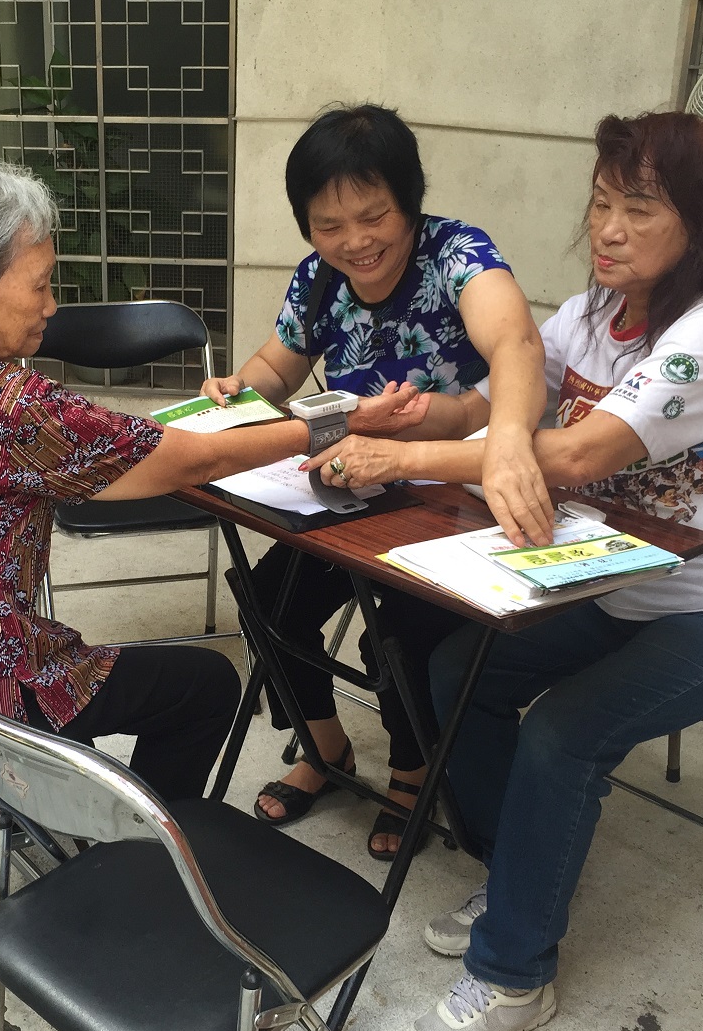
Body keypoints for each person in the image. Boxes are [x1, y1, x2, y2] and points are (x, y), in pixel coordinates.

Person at [303, 110, 703, 1031]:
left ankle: (514, 973)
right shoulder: (590, 314)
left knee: (564, 730)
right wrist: (401, 421)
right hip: (619, 581)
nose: (607, 229)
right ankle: (517, 876)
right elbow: (490, 408)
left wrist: (417, 458)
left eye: (639, 210)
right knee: (458, 672)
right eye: (602, 203)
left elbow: (574, 454)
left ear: (699, 221)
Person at [0, 154, 373, 801]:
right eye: (39, 285)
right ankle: (139, 854)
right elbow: (194, 461)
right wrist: (332, 425)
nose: (51, 305)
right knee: (206, 686)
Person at [199, 104, 550, 858]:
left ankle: (412, 771)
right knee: (269, 600)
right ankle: (325, 748)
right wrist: (236, 390)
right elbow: (275, 370)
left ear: (410, 200)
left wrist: (509, 443)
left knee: (400, 635)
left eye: (374, 215)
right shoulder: (319, 280)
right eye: (328, 225)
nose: (355, 241)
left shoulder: (458, 254)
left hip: (451, 492)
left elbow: (516, 343)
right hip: (355, 480)